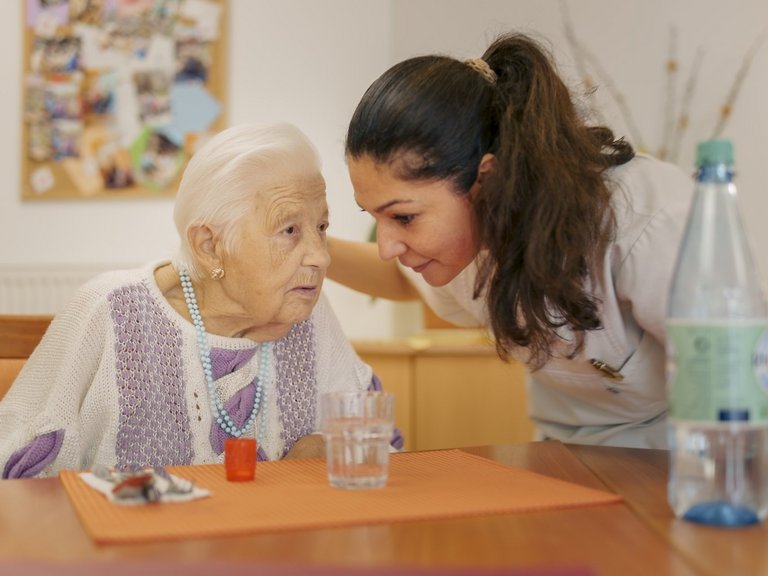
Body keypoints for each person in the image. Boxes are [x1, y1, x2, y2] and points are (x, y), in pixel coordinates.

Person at [327, 32, 695, 449]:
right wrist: (309, 248)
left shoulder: (641, 218)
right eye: (376, 218)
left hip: (681, 450)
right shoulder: (465, 246)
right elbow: (399, 280)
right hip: (566, 451)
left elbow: (734, 367)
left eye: (404, 217)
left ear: (487, 178)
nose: (387, 245)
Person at [0, 122, 400, 479]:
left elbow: (379, 450)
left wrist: (321, 450)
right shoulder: (110, 311)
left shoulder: (308, 313)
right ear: (209, 246)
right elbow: (12, 468)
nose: (321, 255)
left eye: (322, 226)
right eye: (290, 229)